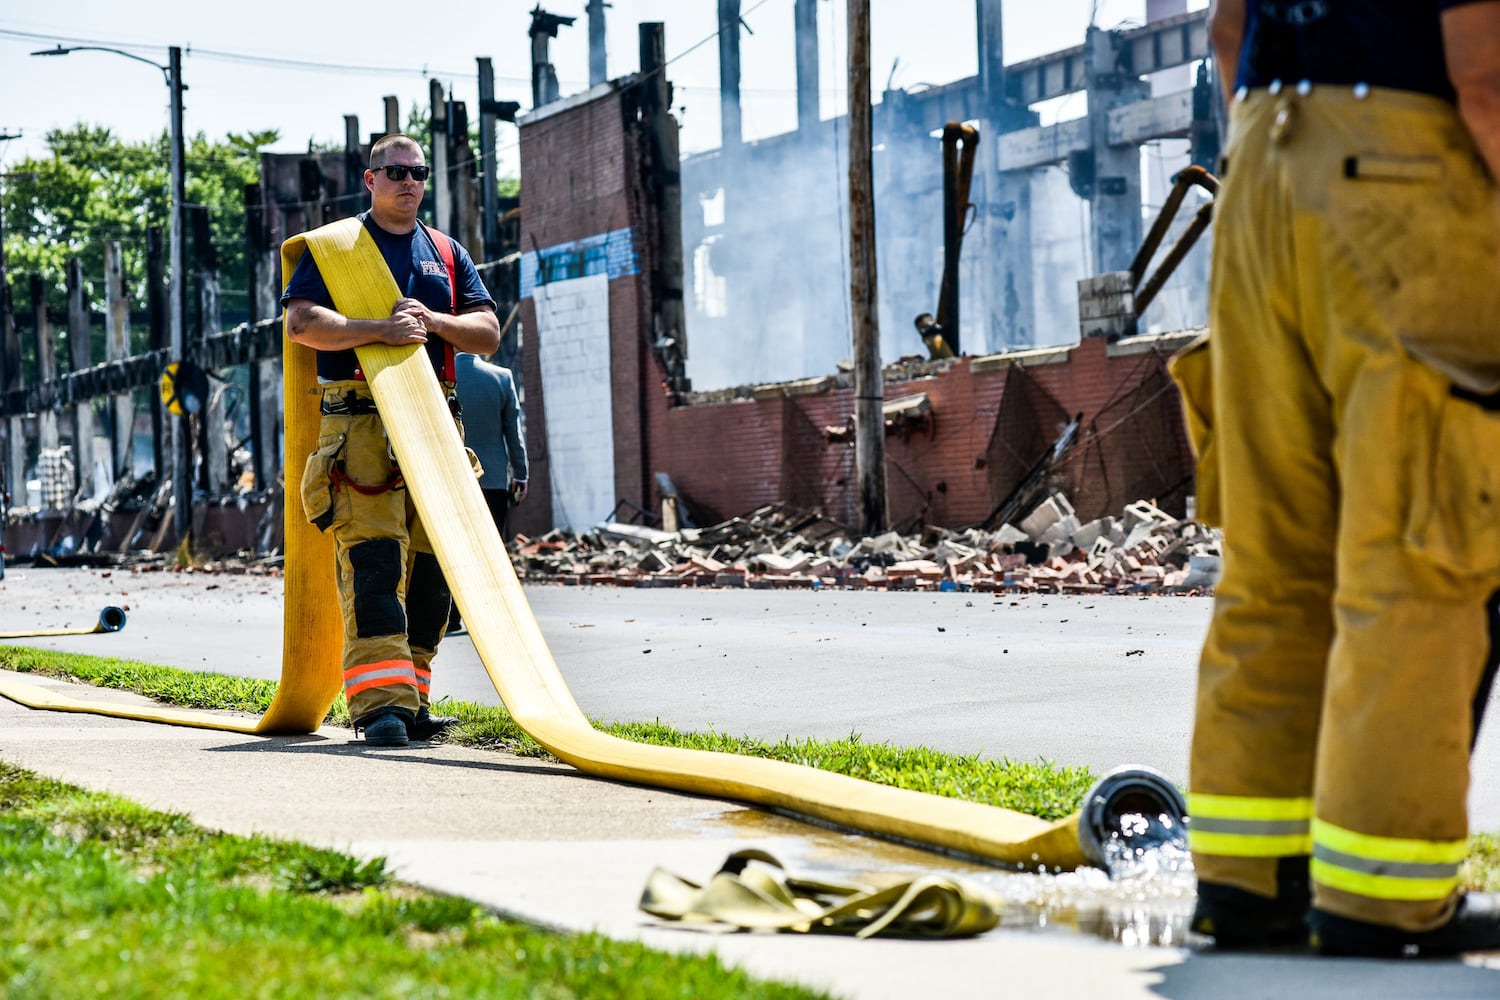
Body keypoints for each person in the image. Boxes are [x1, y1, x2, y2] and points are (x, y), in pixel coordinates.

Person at [1182, 0, 1500, 956]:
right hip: (1402, 178)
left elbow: (1230, 29)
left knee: (1275, 560)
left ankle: (1249, 880)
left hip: (1259, 178)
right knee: (1414, 555)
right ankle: (1379, 898)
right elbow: (1482, 72)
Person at [283, 133, 500, 747]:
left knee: (431, 572)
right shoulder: (337, 248)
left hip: (436, 426)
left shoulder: (447, 252)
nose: (410, 181)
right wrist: (380, 328)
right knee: (375, 564)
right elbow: (301, 323)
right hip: (359, 425)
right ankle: (380, 708)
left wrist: (433, 323)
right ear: (370, 179)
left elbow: (486, 331)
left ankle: (414, 699)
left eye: (419, 172)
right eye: (396, 171)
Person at [445, 352, 528, 635]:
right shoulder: (501, 378)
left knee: (451, 548)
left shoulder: (439, 376)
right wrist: (521, 473)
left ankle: (451, 615)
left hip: (450, 478)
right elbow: (513, 434)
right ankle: (489, 615)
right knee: (491, 550)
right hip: (492, 479)